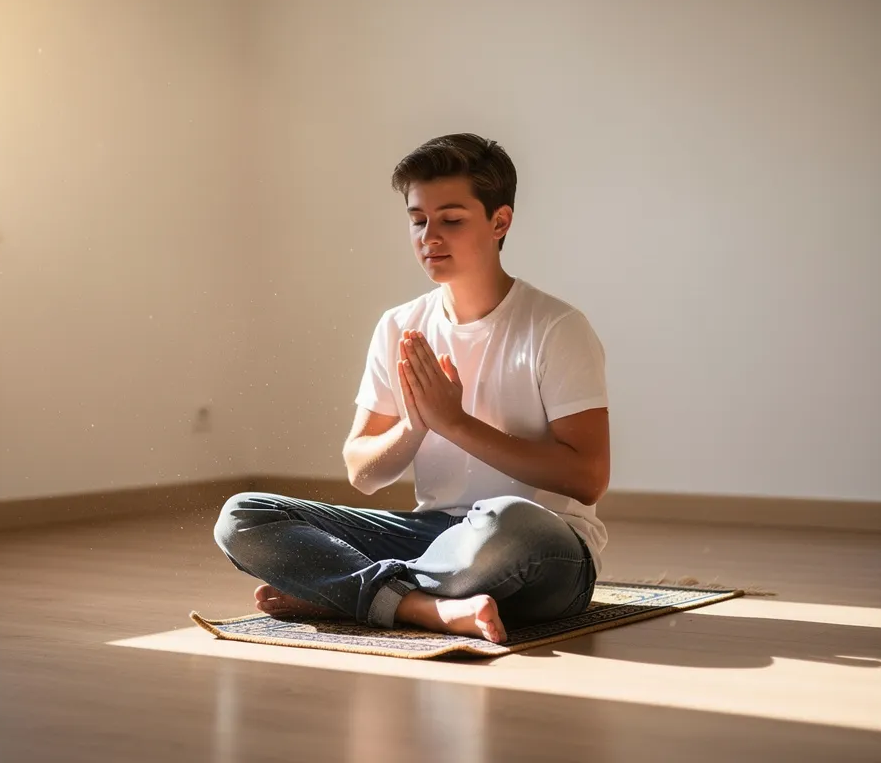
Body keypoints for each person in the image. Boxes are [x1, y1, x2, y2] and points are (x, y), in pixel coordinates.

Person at [214, 133, 610, 643]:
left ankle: (350, 591)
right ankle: (421, 607)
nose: (429, 236)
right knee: (243, 515)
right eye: (418, 220)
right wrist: (414, 425)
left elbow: (588, 478)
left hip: (541, 547)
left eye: (451, 219)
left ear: (499, 222)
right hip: (434, 537)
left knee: (507, 522)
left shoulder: (557, 327)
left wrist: (455, 424)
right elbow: (362, 472)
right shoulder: (399, 326)